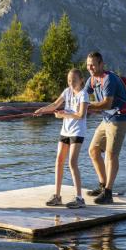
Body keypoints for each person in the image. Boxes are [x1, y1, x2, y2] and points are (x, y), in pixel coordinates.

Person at [34, 68, 89, 208]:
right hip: (65, 131)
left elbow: (81, 115)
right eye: (69, 80)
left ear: (81, 80)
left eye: (74, 80)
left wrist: (63, 115)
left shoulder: (84, 95)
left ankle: (79, 199)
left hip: (77, 132)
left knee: (72, 162)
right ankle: (57, 196)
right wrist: (42, 110)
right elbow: (55, 105)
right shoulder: (67, 91)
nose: (71, 83)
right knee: (59, 160)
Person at [84, 51, 126, 205]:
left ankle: (108, 193)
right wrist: (65, 104)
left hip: (120, 119)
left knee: (111, 155)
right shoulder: (92, 80)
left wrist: (87, 106)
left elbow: (107, 103)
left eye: (93, 64)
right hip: (107, 119)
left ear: (101, 64)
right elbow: (81, 95)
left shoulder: (108, 79)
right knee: (93, 150)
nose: (90, 67)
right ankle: (102, 186)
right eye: (88, 65)